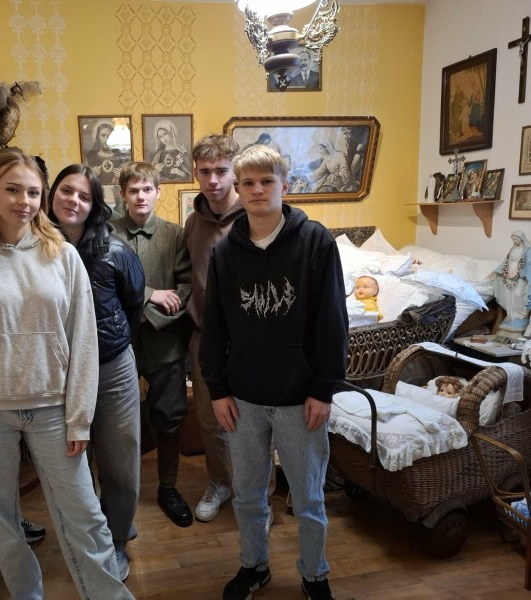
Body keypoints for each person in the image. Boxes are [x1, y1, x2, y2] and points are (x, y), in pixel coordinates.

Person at [0, 151, 134, 600]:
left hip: (52, 408)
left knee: (85, 515)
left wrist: (80, 417)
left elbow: (84, 342)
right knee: (1, 521)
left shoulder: (63, 257)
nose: (23, 201)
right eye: (12, 190)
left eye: (32, 192)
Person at [199, 144, 348, 600]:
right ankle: (253, 566)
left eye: (267, 181)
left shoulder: (316, 242)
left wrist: (324, 389)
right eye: (248, 183)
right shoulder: (225, 252)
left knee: (308, 498)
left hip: (301, 399)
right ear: (238, 189)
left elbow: (332, 321)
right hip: (242, 399)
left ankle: (315, 575)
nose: (258, 190)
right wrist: (217, 389)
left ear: (285, 185)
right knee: (247, 495)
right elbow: (214, 327)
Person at [48, 164, 145, 581]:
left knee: (120, 462)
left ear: (95, 205)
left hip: (111, 368)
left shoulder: (116, 250)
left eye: (84, 196)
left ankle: (117, 539)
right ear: (52, 194)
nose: (73, 200)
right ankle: (89, 536)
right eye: (66, 191)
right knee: (72, 465)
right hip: (58, 374)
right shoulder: (32, 246)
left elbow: (133, 304)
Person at [111, 161, 194, 527]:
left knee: (170, 416)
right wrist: (147, 296)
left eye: (147, 189)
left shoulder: (175, 235)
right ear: (123, 195)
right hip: (120, 342)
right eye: (133, 190)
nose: (140, 196)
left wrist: (151, 315)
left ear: (158, 192)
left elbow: (186, 288)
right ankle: (118, 493)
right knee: (116, 421)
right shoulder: (108, 232)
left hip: (165, 340)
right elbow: (103, 283)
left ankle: (168, 487)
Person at [185, 133, 244, 523]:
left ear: (234, 171)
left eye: (221, 170)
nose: (213, 180)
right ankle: (220, 482)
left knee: (253, 421)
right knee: (210, 420)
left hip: (248, 343)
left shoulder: (254, 216)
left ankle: (255, 496)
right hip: (205, 340)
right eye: (205, 172)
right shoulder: (193, 222)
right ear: (196, 173)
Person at [491, 231, 531, 335]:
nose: (514, 241)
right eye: (513, 239)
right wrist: (497, 271)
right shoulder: (513, 249)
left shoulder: (529, 250)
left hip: (521, 275)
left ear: (522, 238)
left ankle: (521, 316)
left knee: (519, 295)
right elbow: (506, 262)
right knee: (510, 295)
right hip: (510, 274)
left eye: (516, 239)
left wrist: (525, 274)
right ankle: (512, 315)